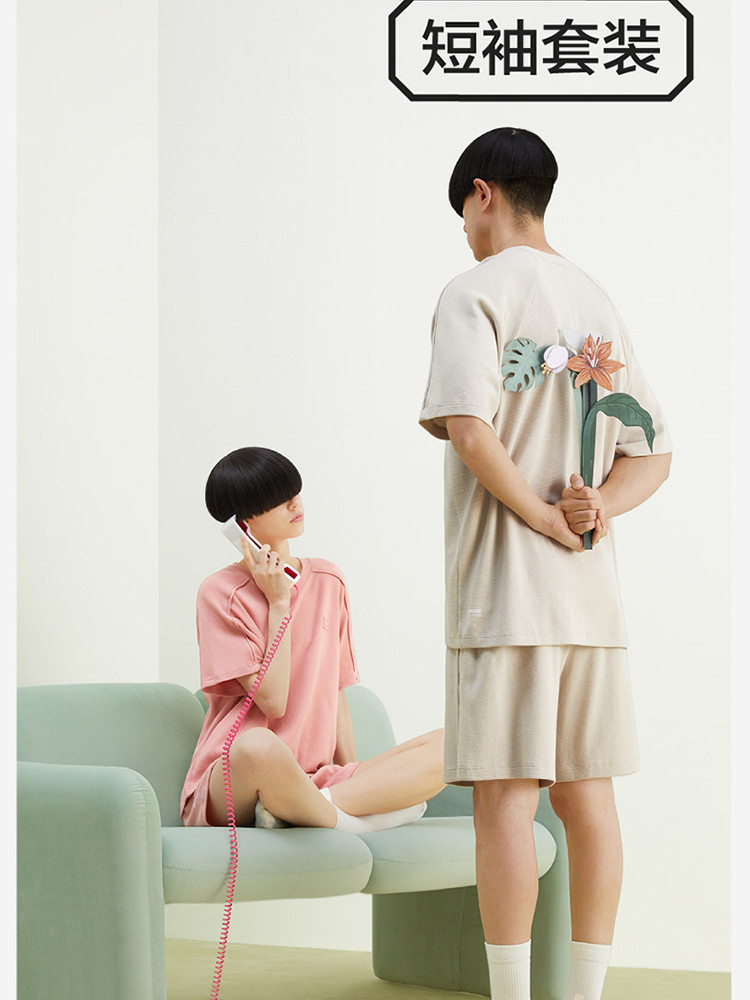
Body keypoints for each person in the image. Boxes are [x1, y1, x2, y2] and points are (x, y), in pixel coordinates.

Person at [418, 127, 672, 1000]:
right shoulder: (596, 300)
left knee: (505, 800)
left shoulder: (474, 291)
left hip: (506, 597)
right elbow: (652, 452)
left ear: (483, 193)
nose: (465, 232)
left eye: (463, 213)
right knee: (589, 799)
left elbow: (468, 427)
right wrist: (595, 510)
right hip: (592, 606)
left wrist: (541, 518)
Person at [180, 446, 445, 835]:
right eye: (278, 499)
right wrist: (278, 602)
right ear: (243, 525)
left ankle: (310, 808)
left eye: (294, 491)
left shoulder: (328, 580)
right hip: (238, 776)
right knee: (259, 745)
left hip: (314, 777)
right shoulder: (220, 593)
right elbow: (273, 700)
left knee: (451, 746)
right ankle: (348, 822)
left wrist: (353, 774)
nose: (295, 503)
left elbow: (335, 691)